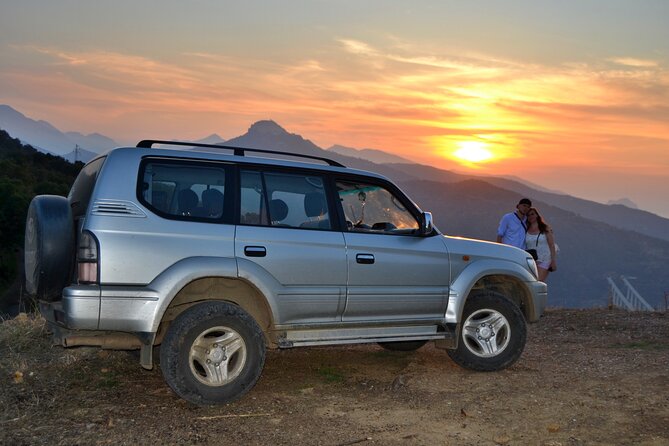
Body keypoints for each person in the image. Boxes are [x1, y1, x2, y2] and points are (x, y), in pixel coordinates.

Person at [525, 207, 557, 281]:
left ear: (537, 215)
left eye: (532, 214)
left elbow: (552, 245)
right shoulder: (526, 229)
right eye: (528, 215)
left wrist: (553, 261)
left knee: (538, 281)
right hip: (531, 260)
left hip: (545, 259)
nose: (531, 216)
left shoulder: (545, 228)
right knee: (531, 282)